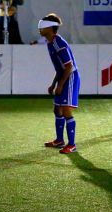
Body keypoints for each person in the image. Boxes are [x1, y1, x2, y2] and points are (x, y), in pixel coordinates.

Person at [39, 13, 80, 154]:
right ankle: (59, 140)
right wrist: (53, 83)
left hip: (71, 77)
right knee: (57, 109)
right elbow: (60, 67)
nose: (40, 29)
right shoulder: (50, 43)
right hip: (63, 76)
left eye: (43, 26)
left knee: (66, 109)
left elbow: (69, 67)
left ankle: (72, 144)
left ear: (50, 28)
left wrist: (61, 85)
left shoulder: (58, 43)